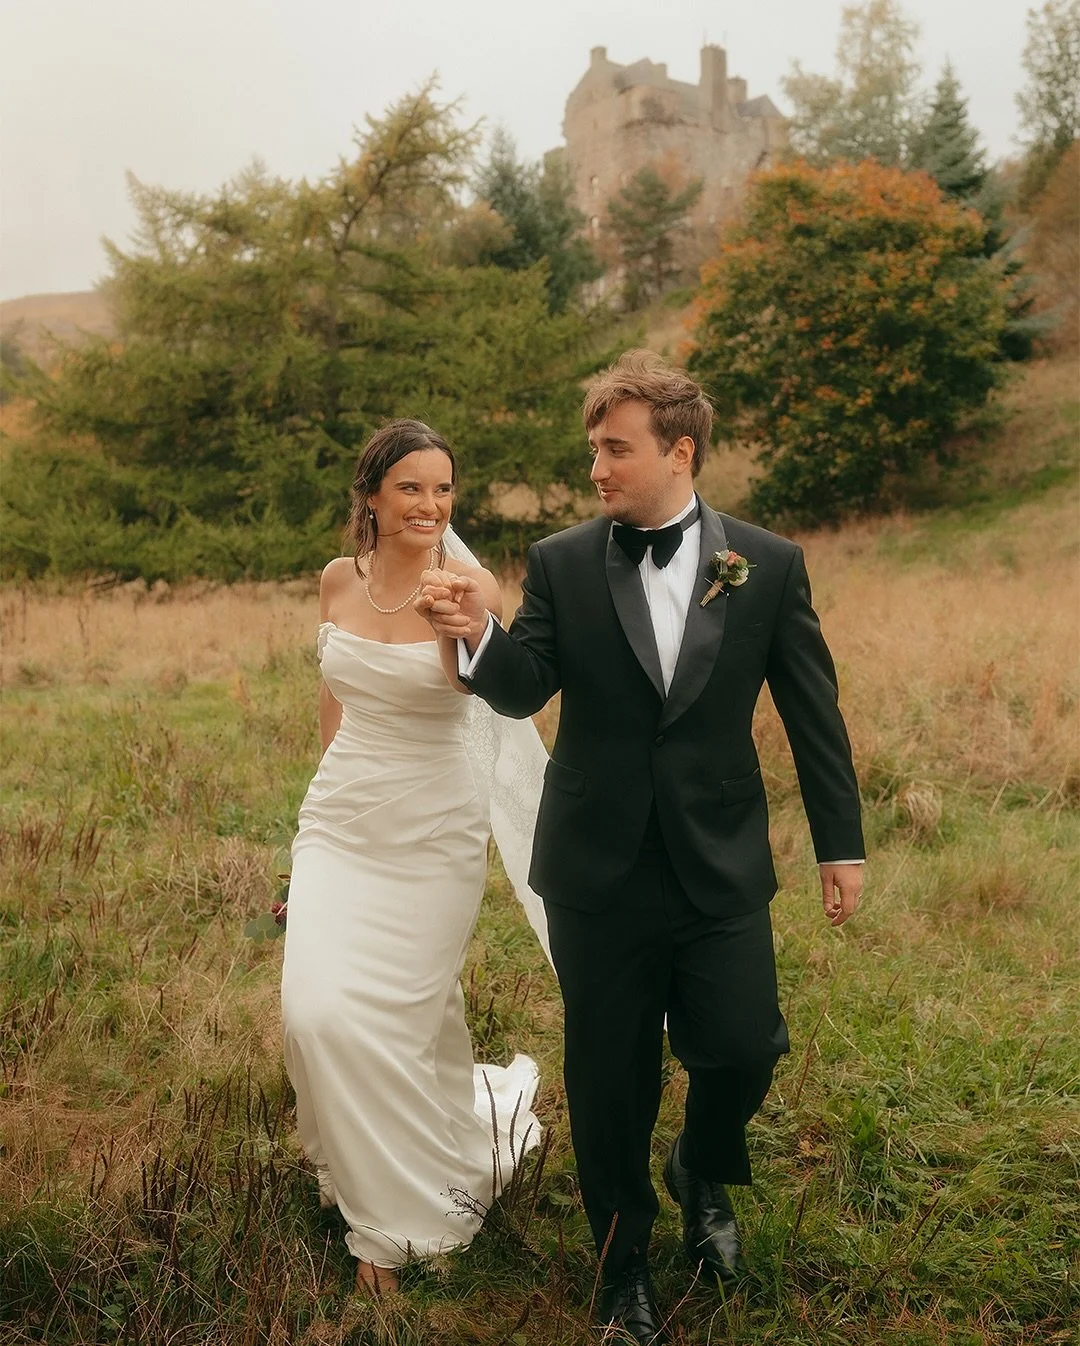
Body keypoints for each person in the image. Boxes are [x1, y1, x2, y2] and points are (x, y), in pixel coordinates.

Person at [418, 352, 865, 1343]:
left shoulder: (763, 562)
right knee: (609, 1078)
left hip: (718, 859)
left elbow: (812, 710)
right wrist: (475, 634)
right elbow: (524, 684)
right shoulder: (566, 559)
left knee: (746, 1043)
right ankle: (623, 1270)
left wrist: (842, 842)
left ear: (680, 449)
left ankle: (704, 1162)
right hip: (595, 867)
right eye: (594, 450)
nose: (598, 469)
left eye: (615, 449)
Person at [280, 419, 549, 1297]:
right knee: (315, 1015)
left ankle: (390, 1228)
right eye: (411, 489)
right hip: (340, 820)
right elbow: (335, 692)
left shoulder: (465, 584)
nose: (431, 505)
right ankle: (364, 1168)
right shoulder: (336, 580)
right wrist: (318, 808)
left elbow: (488, 694)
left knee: (398, 1019)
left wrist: (465, 627)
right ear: (371, 496)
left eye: (444, 489)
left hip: (434, 828)